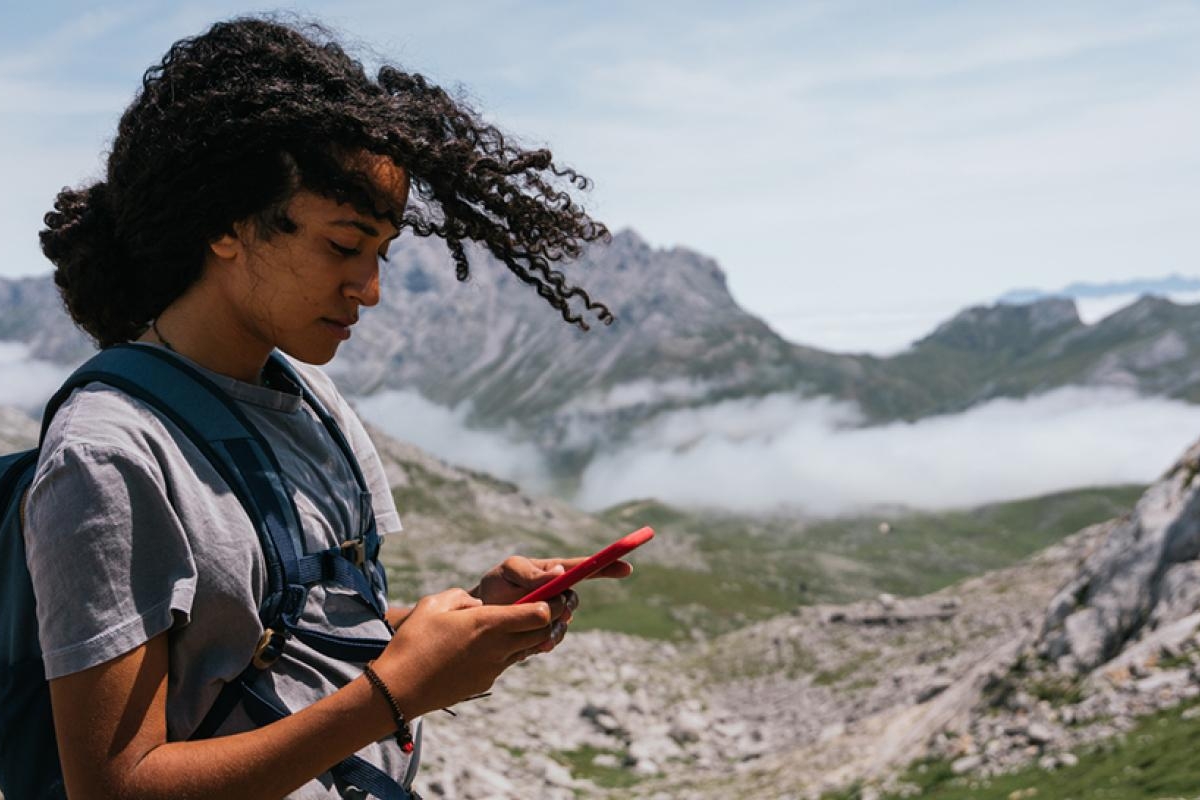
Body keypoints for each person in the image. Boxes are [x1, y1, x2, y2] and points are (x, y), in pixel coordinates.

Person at [30, 16, 626, 799]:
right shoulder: (109, 455)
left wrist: (465, 622)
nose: (369, 290)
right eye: (344, 247)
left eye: (380, 254)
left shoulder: (315, 400)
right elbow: (115, 787)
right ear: (226, 225)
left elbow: (296, 638)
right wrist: (396, 693)